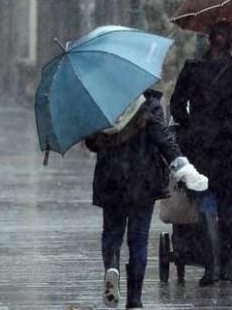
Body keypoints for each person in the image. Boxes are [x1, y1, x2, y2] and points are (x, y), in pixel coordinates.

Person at [85, 89, 208, 308]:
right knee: (138, 239)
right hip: (143, 179)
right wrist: (183, 168)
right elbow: (163, 140)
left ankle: (111, 267)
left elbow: (92, 143)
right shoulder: (149, 104)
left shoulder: (103, 102)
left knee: (112, 233)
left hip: (111, 177)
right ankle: (135, 300)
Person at [171, 21, 232, 286]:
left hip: (201, 145)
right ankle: (228, 264)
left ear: (208, 40)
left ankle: (211, 266)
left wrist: (191, 124)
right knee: (229, 206)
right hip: (231, 147)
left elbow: (177, 105)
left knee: (205, 202)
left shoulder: (193, 70)